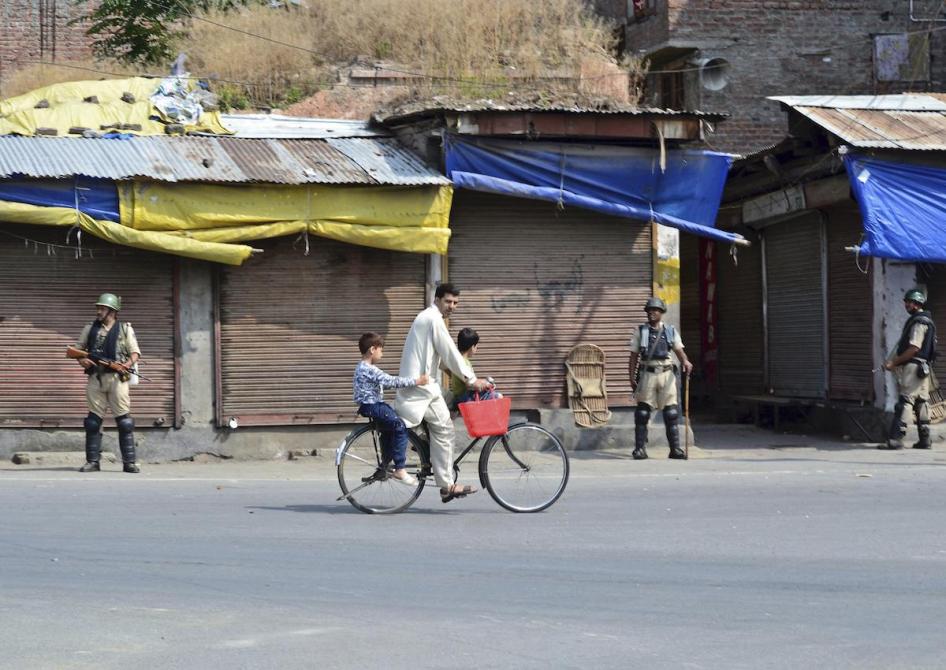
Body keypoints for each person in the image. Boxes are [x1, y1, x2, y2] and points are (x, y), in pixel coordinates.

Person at [395, 283, 491, 503]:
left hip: (425, 388)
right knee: (445, 429)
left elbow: (436, 356)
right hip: (421, 392)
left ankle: (428, 450)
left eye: (456, 303)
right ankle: (447, 485)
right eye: (448, 301)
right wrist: (472, 380)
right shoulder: (433, 319)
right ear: (437, 299)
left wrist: (456, 373)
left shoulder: (426, 318)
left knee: (451, 401)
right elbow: (449, 351)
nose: (452, 306)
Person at [74, 293, 141, 473]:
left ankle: (129, 462)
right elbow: (78, 350)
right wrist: (82, 361)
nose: (98, 311)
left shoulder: (125, 329)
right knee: (92, 422)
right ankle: (93, 461)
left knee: (125, 422)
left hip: (117, 380)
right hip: (96, 378)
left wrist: (125, 365)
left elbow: (135, 353)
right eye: (98, 308)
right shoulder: (90, 328)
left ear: (112, 311)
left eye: (102, 308)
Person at [352, 332, 429, 485]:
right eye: (381, 350)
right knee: (400, 426)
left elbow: (384, 384)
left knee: (388, 431)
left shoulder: (361, 368)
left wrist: (405, 385)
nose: (382, 353)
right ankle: (400, 469)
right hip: (373, 406)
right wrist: (417, 381)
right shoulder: (369, 369)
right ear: (372, 349)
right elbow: (391, 380)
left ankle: (384, 467)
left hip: (370, 406)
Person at [628, 296, 693, 460]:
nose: (651, 313)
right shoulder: (640, 331)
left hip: (666, 373)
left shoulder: (670, 331)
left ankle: (675, 449)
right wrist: (631, 377)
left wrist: (685, 361)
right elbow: (634, 356)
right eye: (649, 311)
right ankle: (640, 449)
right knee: (642, 412)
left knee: (671, 412)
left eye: (655, 310)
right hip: (647, 373)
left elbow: (679, 350)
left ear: (661, 312)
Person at [882, 288, 937, 450]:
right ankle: (925, 440)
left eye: (909, 302)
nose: (906, 305)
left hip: (913, 366)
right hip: (924, 367)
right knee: (921, 402)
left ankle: (896, 439)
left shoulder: (919, 322)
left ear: (917, 303)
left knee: (905, 402)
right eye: (906, 302)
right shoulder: (928, 321)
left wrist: (894, 362)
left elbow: (914, 347)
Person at [449, 327, 498, 408]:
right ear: (472, 347)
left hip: (458, 396)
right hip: (465, 398)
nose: (477, 349)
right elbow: (470, 384)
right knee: (498, 396)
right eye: (476, 346)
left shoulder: (457, 360)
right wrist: (485, 384)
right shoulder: (464, 363)